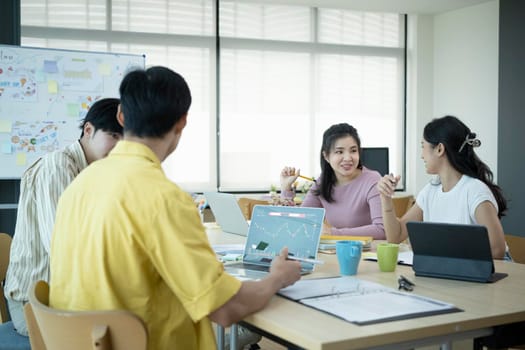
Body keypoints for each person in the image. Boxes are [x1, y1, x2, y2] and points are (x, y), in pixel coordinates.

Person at [48, 66, 302, 350]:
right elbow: (227, 308)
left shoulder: (79, 186)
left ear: (121, 115)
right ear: (182, 122)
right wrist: (277, 278)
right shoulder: (163, 198)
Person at [4, 98, 123, 336]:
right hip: (38, 303)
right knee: (126, 332)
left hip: (69, 295)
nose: (120, 147)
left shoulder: (98, 170)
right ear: (88, 130)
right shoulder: (58, 166)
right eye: (113, 136)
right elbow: (64, 249)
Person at [377, 115, 507, 259]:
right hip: (452, 269)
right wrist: (386, 198)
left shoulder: (475, 191)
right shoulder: (430, 191)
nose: (421, 155)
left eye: (423, 146)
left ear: (439, 149)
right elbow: (396, 236)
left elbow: (497, 250)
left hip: (491, 271)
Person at [280, 123, 385, 239]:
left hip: (368, 253)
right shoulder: (323, 181)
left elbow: (381, 229)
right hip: (337, 251)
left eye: (353, 151)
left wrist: (333, 233)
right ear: (326, 156)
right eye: (339, 152)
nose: (348, 158)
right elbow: (301, 222)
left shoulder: (373, 180)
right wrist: (286, 189)